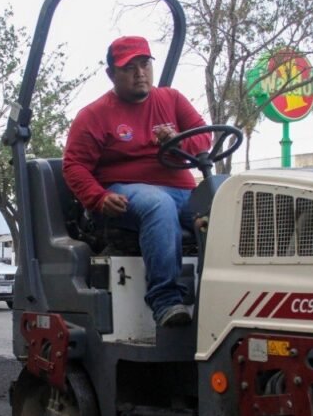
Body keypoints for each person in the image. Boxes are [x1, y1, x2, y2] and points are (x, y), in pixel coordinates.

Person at [63, 35, 210, 327]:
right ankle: (165, 300)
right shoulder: (95, 115)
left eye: (144, 64)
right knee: (159, 205)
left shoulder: (172, 99)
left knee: (228, 205)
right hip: (125, 192)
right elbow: (74, 165)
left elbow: (204, 136)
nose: (140, 73)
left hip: (182, 191)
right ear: (111, 74)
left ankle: (220, 300)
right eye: (129, 67)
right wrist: (98, 198)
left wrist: (181, 141)